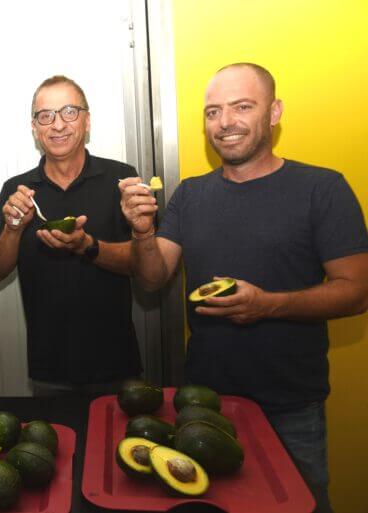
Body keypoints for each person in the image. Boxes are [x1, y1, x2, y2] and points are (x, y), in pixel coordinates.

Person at [120, 62, 368, 513]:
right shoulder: (189, 195)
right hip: (205, 405)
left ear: (274, 112)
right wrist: (141, 233)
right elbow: (153, 279)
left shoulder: (322, 189)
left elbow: (356, 292)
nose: (225, 122)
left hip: (291, 407)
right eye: (213, 112)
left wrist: (267, 306)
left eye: (241, 107)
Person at [0, 75, 142, 396]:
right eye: (46, 116)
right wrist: (14, 228)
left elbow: (146, 265)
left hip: (116, 362)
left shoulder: (122, 179)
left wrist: (88, 246)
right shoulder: (18, 190)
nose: (58, 125)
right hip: (48, 367)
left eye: (69, 112)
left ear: (87, 121)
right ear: (35, 128)